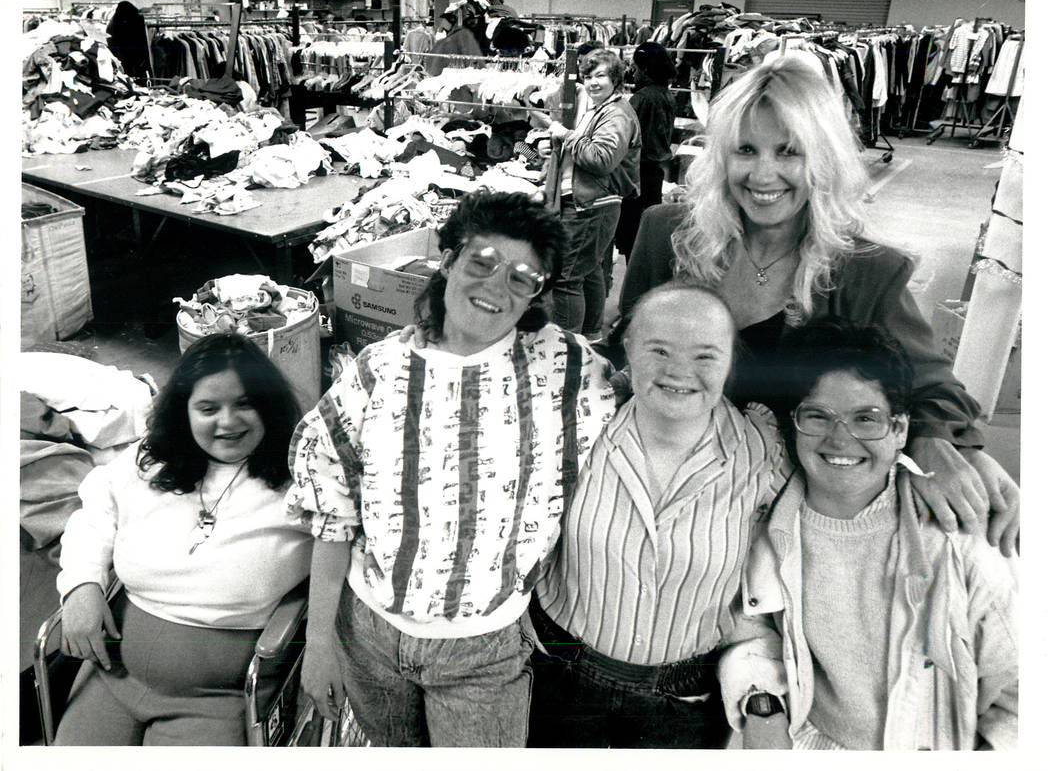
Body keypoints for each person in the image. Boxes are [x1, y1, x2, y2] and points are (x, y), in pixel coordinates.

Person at [617, 54, 1018, 555]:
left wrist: (935, 441)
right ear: (721, 157)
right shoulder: (665, 235)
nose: (763, 175)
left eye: (789, 152)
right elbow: (624, 351)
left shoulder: (868, 270)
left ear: (823, 160)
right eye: (746, 150)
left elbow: (931, 386)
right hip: (660, 504)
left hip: (785, 524)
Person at [286, 191, 616, 747]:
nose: (496, 288)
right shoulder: (378, 371)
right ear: (448, 260)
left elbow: (658, 389)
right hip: (370, 636)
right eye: (482, 262)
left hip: (485, 650)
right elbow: (332, 512)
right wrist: (319, 643)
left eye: (522, 278)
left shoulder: (569, 371)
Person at [726, 318, 1017, 749]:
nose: (841, 439)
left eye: (866, 418)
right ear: (794, 424)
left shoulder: (962, 544)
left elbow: (1021, 696)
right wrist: (761, 705)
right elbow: (752, 631)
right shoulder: (767, 530)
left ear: (900, 430)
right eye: (818, 416)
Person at [528, 283, 783, 748]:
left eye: (705, 356)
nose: (679, 371)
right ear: (627, 348)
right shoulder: (578, 429)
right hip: (558, 683)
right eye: (659, 349)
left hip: (683, 708)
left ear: (730, 360)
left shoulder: (763, 455)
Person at [54, 333, 310, 745]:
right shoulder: (154, 459)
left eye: (245, 403)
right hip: (113, 671)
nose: (228, 422)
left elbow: (345, 550)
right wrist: (81, 583)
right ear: (184, 411)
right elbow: (95, 507)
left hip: (214, 697)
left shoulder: (303, 480)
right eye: (208, 408)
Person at [544, 48, 640, 339]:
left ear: (615, 79)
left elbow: (601, 159)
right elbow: (586, 150)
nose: (593, 82)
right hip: (592, 201)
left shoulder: (616, 114)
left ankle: (568, 344)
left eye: (600, 75)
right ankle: (590, 336)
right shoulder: (600, 110)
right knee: (589, 271)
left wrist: (566, 136)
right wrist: (557, 148)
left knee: (566, 278)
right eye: (588, 76)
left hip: (591, 204)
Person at [616, 41, 677, 264]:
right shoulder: (666, 95)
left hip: (636, 172)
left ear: (647, 69)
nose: (632, 71)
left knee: (630, 234)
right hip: (655, 173)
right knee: (644, 234)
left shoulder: (641, 98)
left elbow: (625, 138)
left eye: (636, 67)